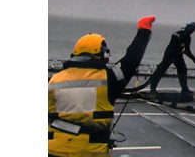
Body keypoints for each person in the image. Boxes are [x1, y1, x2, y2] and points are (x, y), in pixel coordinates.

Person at [49, 16, 156, 157]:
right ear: (100, 55)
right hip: (90, 151)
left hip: (53, 149)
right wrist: (144, 31)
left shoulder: (53, 81)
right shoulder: (109, 79)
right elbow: (131, 60)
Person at [149, 21, 195, 97]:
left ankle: (185, 89)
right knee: (160, 71)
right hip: (169, 55)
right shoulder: (177, 34)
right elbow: (173, 46)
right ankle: (152, 89)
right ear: (188, 28)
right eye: (192, 28)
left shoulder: (188, 37)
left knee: (183, 70)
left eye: (194, 29)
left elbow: (187, 50)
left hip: (178, 55)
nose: (193, 30)